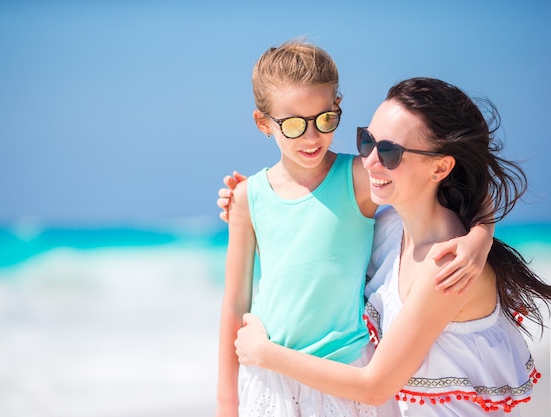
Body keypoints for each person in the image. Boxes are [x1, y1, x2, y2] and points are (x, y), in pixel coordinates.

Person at [231, 77, 551, 416]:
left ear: (440, 167)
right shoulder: (391, 228)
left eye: (389, 152)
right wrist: (253, 203)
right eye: (367, 142)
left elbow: (375, 386)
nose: (369, 161)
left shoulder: (446, 264)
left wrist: (264, 354)